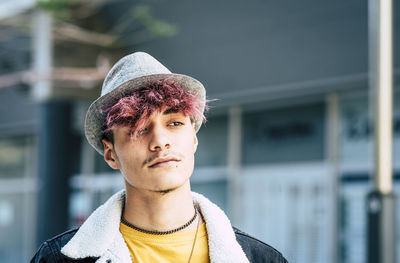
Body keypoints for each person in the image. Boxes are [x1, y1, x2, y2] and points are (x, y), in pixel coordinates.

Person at [31, 52, 288, 263]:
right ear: (111, 154)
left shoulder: (261, 259)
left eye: (174, 123)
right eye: (138, 129)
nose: (160, 142)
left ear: (194, 139)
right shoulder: (58, 259)